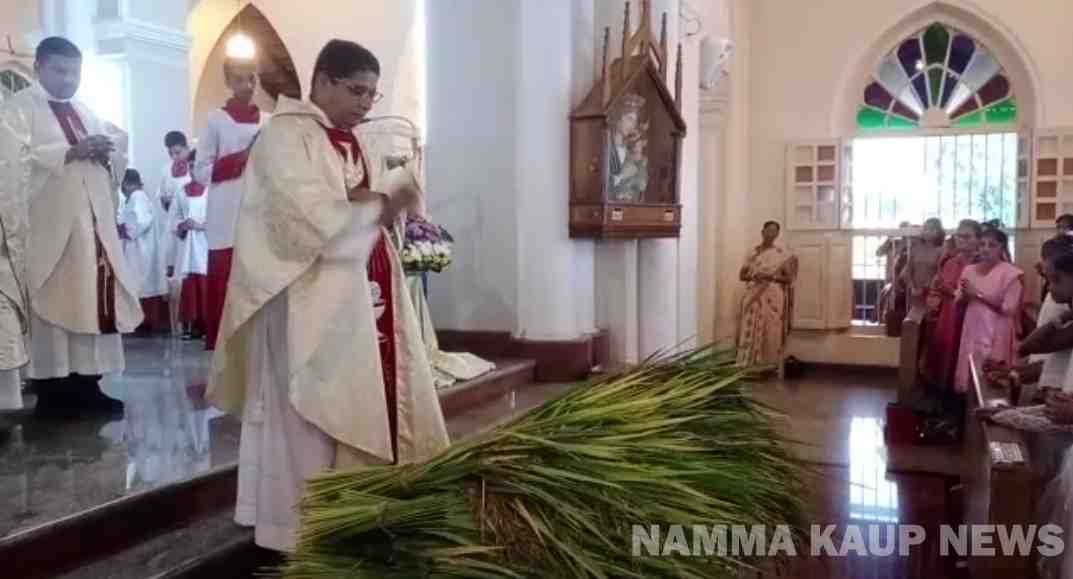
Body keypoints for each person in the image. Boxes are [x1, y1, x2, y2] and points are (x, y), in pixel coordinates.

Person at [207, 39, 449, 552]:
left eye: (371, 94)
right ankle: (300, 525)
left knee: (360, 397)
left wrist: (380, 203)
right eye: (356, 90)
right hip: (306, 301)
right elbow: (301, 215)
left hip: (360, 292)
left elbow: (357, 200)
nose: (365, 103)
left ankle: (354, 506)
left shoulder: (347, 138)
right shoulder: (284, 136)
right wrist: (378, 203)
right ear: (321, 82)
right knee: (310, 411)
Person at [0, 37, 140, 415]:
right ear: (38, 68)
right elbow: (10, 165)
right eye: (59, 70)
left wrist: (107, 152)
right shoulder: (17, 110)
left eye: (75, 72)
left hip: (91, 231)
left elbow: (116, 151)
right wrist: (67, 153)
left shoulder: (85, 111)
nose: (68, 79)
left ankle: (88, 385)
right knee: (54, 304)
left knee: (90, 304)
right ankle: (52, 391)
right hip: (49, 231)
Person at [193, 55, 265, 351]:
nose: (247, 85)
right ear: (227, 81)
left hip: (260, 211)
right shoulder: (216, 120)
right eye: (239, 79)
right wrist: (241, 159)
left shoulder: (269, 121)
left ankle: (257, 343)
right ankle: (225, 346)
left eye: (252, 78)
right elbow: (200, 171)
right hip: (226, 211)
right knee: (226, 278)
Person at [952, 227, 1023, 394]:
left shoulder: (1011, 274)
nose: (985, 249)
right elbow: (959, 300)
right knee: (970, 370)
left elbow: (1009, 309)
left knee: (991, 375)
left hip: (997, 328)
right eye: (982, 244)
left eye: (992, 245)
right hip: (973, 325)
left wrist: (978, 294)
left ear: (1001, 248)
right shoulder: (969, 270)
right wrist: (965, 296)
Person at [921, 219, 979, 391]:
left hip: (973, 316)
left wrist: (953, 291)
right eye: (959, 236)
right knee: (946, 356)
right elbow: (937, 289)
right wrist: (935, 294)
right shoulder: (950, 262)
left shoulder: (982, 264)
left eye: (967, 236)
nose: (961, 240)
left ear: (977, 239)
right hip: (949, 316)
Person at [736, 220, 798, 367]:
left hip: (772, 297)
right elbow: (742, 276)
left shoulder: (780, 254)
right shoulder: (752, 253)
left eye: (774, 231)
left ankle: (767, 364)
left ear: (777, 234)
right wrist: (754, 276)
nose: (771, 234)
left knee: (770, 331)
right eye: (768, 230)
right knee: (749, 326)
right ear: (762, 232)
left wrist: (771, 277)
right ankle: (748, 363)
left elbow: (788, 279)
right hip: (753, 295)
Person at [117, 169, 167, 334]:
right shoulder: (138, 197)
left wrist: (123, 229)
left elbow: (141, 222)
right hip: (139, 249)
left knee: (140, 285)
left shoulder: (137, 196)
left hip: (140, 251)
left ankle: (143, 323)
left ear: (126, 184)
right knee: (140, 285)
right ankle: (141, 323)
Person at [174, 151, 209, 340]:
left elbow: (219, 218)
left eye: (197, 166)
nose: (194, 170)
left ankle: (205, 327)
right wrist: (182, 225)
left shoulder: (211, 190)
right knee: (189, 284)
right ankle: (188, 326)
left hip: (205, 242)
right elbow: (174, 217)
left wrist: (200, 226)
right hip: (188, 243)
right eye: (191, 166)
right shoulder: (182, 191)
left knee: (204, 283)